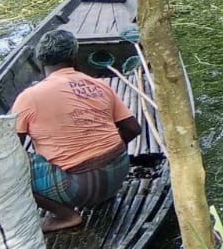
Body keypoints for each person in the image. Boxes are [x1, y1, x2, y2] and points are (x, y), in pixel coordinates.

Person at [10, 29, 142, 232]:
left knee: (9, 162)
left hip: (77, 190)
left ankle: (66, 216)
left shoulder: (29, 97)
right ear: (73, 57)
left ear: (40, 62)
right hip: (117, 176)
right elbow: (133, 129)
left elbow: (8, 149)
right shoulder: (99, 85)